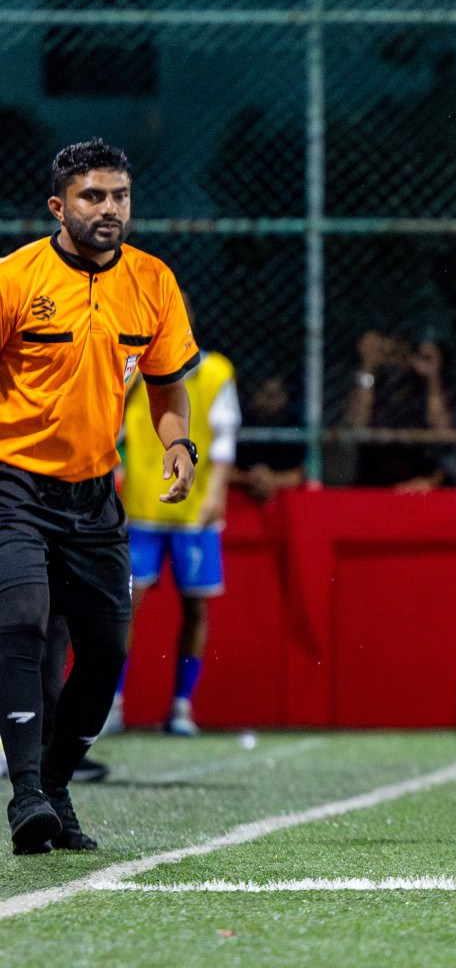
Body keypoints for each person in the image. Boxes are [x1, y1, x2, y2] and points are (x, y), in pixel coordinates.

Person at [0, 139, 199, 854]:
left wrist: (177, 443)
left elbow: (168, 378)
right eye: (93, 197)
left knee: (108, 651)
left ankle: (55, 784)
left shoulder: (152, 281)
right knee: (21, 624)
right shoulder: (13, 279)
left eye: (119, 196)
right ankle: (26, 795)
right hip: (13, 483)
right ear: (59, 207)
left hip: (94, 495)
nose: (109, 208)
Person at [106, 299, 239, 737]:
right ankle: (113, 703)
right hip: (142, 504)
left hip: (194, 510)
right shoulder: (134, 367)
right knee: (125, 605)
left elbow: (223, 439)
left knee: (195, 606)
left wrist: (217, 490)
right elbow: (112, 422)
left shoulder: (217, 371)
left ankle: (181, 705)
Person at [347, 330, 450, 491]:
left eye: (400, 354)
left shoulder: (423, 391)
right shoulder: (372, 388)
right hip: (373, 485)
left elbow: (443, 431)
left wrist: (432, 376)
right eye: (389, 355)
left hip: (417, 483)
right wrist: (368, 365)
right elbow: (357, 423)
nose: (395, 363)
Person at [233, 376, 306, 502]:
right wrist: (249, 478)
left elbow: (299, 475)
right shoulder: (239, 424)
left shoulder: (293, 427)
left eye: (275, 395)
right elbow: (223, 468)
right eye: (265, 393)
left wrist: (271, 479)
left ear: (285, 397)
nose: (270, 400)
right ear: (255, 395)